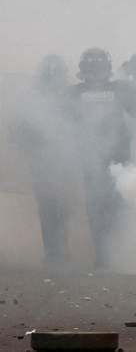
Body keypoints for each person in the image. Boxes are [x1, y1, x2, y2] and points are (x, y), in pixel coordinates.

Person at [67, 47, 131, 269]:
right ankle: (104, 255)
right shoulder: (73, 94)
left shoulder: (122, 90)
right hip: (91, 160)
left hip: (118, 160)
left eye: (99, 67)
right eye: (92, 68)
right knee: (96, 208)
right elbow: (57, 121)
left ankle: (118, 253)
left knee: (117, 207)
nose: (95, 73)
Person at [12, 55, 71, 265]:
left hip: (65, 160)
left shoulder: (69, 96)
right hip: (41, 161)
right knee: (48, 207)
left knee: (62, 207)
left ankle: (60, 250)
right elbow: (17, 131)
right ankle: (53, 252)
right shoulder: (31, 99)